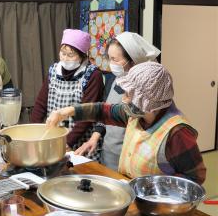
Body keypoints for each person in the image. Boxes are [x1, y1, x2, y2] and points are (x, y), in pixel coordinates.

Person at [46, 61, 206, 184]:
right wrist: (66, 112)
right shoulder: (136, 114)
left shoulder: (177, 133)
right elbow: (103, 111)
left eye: (129, 95)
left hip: (159, 207)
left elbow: (195, 177)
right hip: (132, 193)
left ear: (148, 102)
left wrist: (158, 188)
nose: (124, 99)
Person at [75, 32, 160, 170]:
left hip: (134, 161)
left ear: (133, 60)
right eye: (109, 58)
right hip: (108, 155)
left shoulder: (149, 89)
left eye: (115, 59)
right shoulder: (114, 80)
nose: (111, 64)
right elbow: (106, 113)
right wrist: (94, 138)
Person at [30, 29, 104, 160]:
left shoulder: (93, 75)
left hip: (81, 140)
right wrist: (32, 133)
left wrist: (68, 142)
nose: (65, 58)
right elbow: (41, 104)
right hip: (55, 137)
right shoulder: (54, 71)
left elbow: (87, 114)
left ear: (82, 56)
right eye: (62, 53)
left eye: (70, 55)